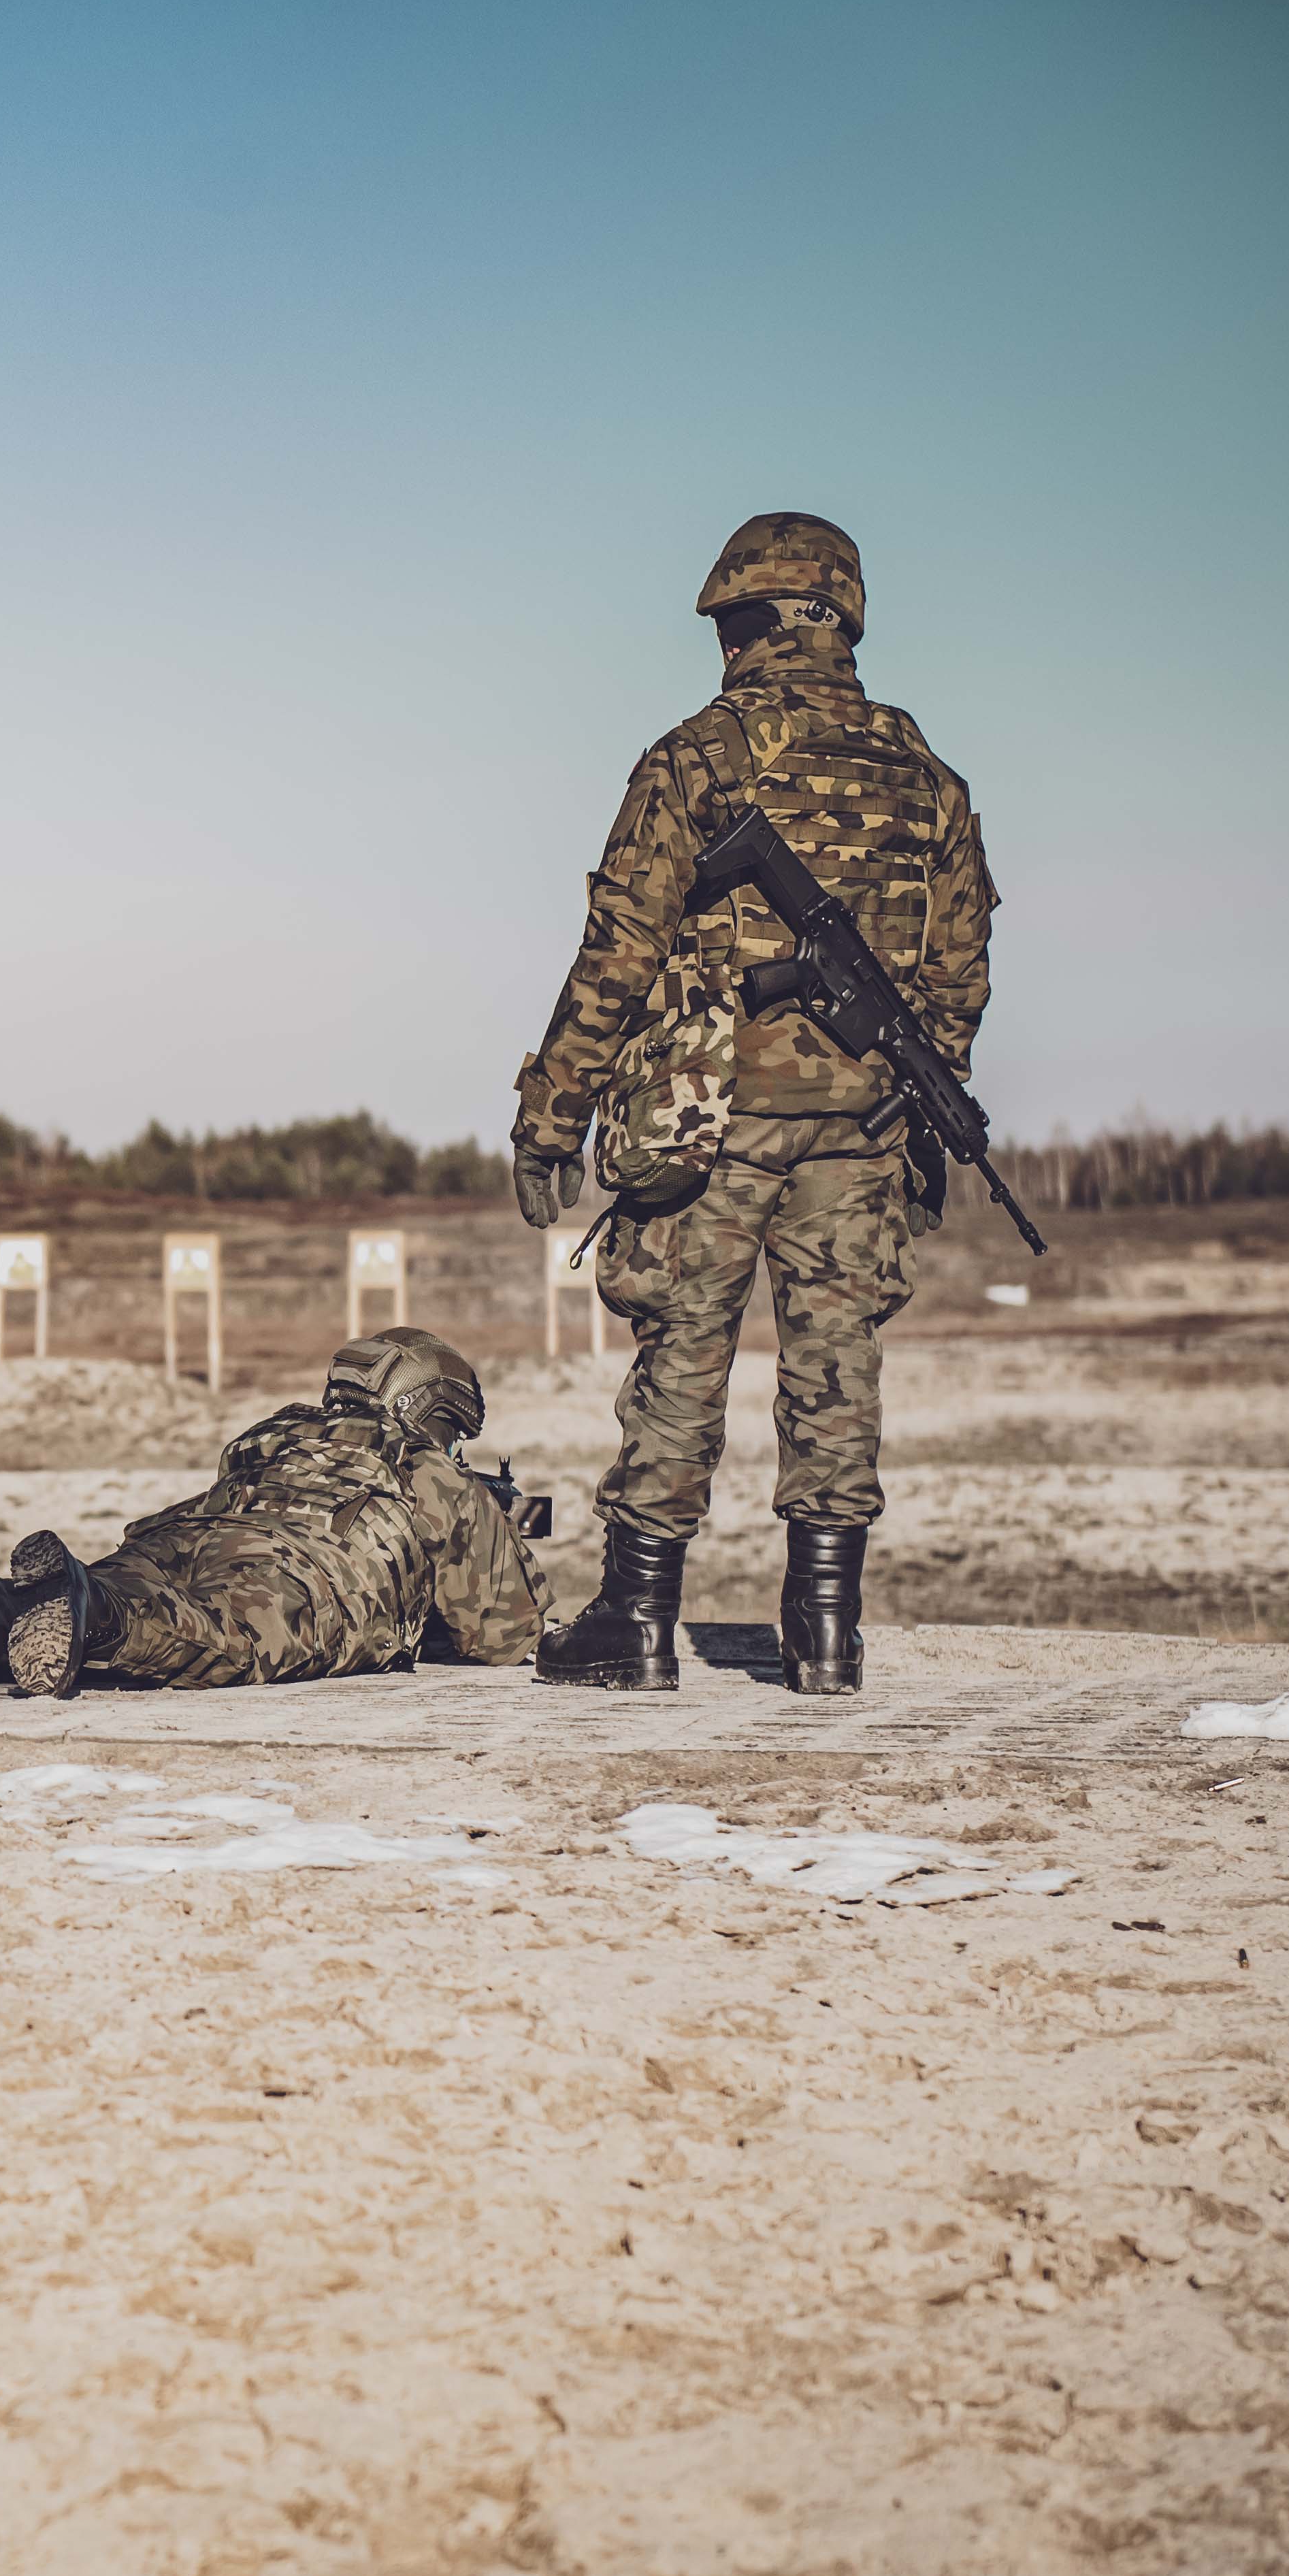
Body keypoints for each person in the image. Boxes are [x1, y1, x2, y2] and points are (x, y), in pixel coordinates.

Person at [507, 512, 997, 1697]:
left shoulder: (696, 758)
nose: (724, 641)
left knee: (682, 1357)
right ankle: (826, 1633)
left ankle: (635, 1622)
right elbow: (961, 962)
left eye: (732, 620)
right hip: (860, 1125)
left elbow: (617, 949)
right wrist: (928, 1096)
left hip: (707, 1116)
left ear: (752, 621)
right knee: (837, 1369)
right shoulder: (924, 776)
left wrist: (550, 1110)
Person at [0, 1328, 546, 1699]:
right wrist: (502, 1539)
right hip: (304, 1568)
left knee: (38, 1608)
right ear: (430, 1409)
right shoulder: (431, 1475)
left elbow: (236, 1490)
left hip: (187, 1532)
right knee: (219, 1639)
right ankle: (94, 1608)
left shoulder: (278, 1429)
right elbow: (503, 1636)